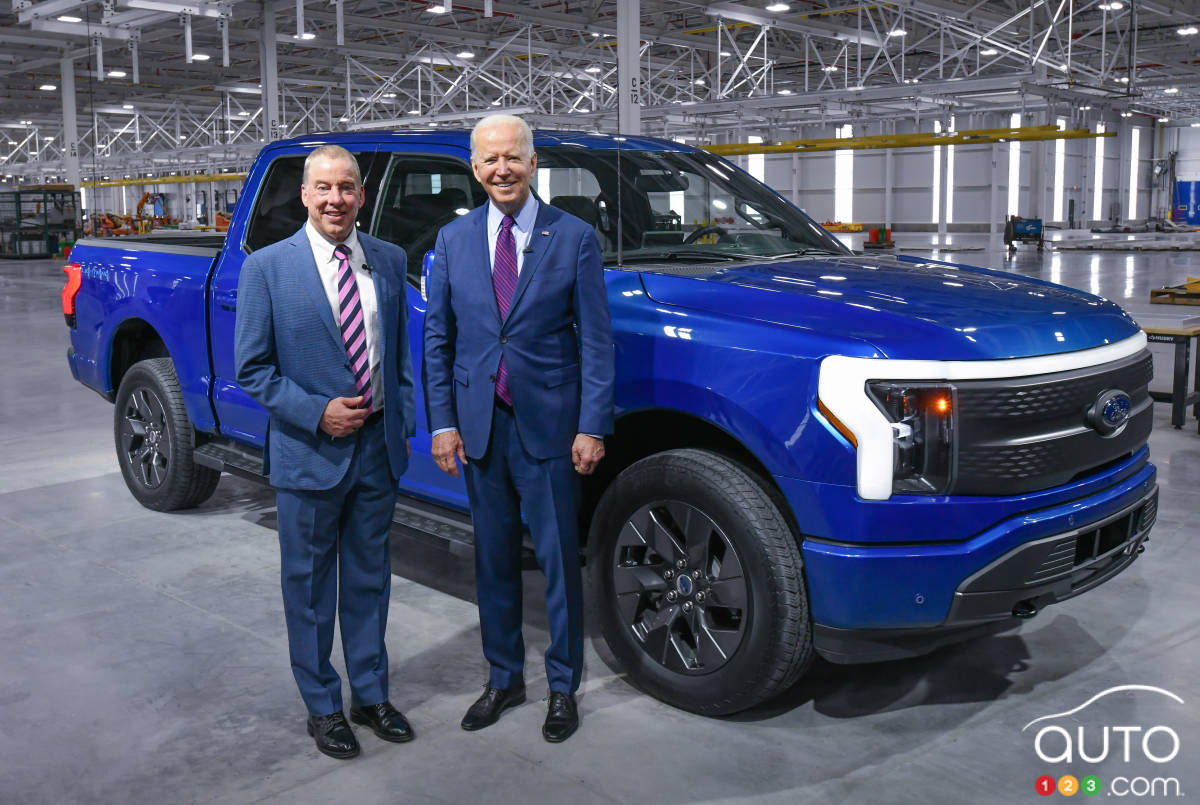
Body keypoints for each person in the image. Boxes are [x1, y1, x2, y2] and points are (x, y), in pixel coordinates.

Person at [423, 113, 615, 743]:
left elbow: (596, 340)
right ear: (473, 168)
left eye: (513, 157)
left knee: (560, 559)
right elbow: (438, 341)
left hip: (551, 428)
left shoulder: (574, 236)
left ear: (534, 163)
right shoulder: (453, 242)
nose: (501, 169)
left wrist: (591, 424)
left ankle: (564, 685)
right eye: (488, 159)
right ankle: (503, 677)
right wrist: (443, 423)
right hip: (480, 428)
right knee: (493, 561)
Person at [235, 144, 416, 759]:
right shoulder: (266, 268)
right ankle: (322, 706)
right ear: (305, 195)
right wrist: (317, 411)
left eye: (347, 188)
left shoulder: (389, 261)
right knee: (309, 588)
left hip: (378, 449)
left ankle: (370, 694)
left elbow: (398, 357)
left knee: (370, 581)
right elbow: (253, 369)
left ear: (362, 196)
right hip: (310, 450)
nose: (335, 199)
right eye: (324, 188)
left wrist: (405, 421)